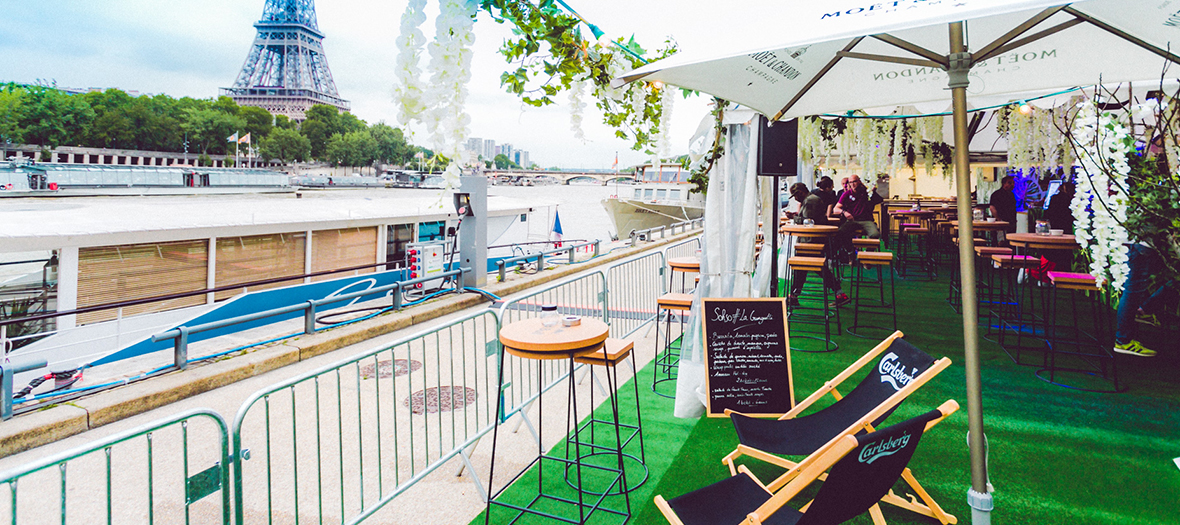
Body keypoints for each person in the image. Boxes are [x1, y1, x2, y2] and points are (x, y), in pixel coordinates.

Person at [786, 183, 849, 307]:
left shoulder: (810, 201)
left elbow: (808, 222)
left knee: (814, 268)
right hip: (813, 240)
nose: (795, 198)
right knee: (807, 268)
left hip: (811, 240)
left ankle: (839, 292)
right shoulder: (811, 199)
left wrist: (795, 218)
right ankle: (794, 295)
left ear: (800, 192)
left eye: (795, 195)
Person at [1114, 244, 1160, 357]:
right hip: (1140, 245)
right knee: (1132, 291)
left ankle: (1143, 311)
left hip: (1138, 245)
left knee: (1133, 290)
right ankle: (1123, 340)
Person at [832, 174, 884, 254]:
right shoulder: (847, 194)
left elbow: (879, 200)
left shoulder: (867, 192)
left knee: (875, 234)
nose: (852, 184)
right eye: (850, 182)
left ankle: (867, 254)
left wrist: (873, 191)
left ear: (859, 181)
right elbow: (836, 209)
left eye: (855, 181)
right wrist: (844, 212)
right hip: (852, 220)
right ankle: (850, 252)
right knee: (840, 233)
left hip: (867, 220)